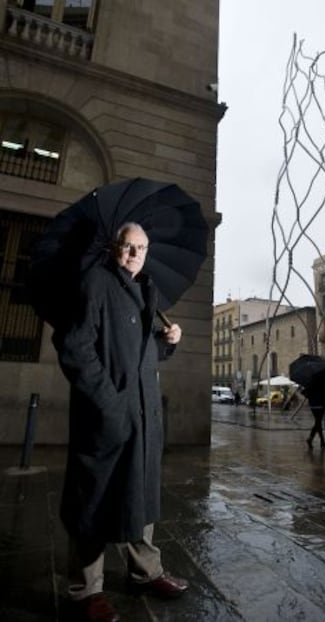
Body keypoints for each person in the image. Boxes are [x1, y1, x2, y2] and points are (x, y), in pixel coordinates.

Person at [55, 222, 188, 622]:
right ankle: (85, 591)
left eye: (141, 247)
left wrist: (168, 344)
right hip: (106, 416)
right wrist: (110, 405)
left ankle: (145, 573)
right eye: (127, 246)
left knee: (138, 496)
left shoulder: (145, 289)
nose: (134, 254)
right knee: (93, 501)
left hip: (143, 416)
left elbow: (143, 354)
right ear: (115, 248)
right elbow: (74, 349)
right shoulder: (94, 282)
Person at [302, 373, 325, 449]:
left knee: (318, 422)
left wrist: (310, 397)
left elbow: (304, 392)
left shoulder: (309, 383)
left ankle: (321, 441)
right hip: (320, 404)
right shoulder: (322, 383)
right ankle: (311, 439)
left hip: (313, 405)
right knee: (318, 422)